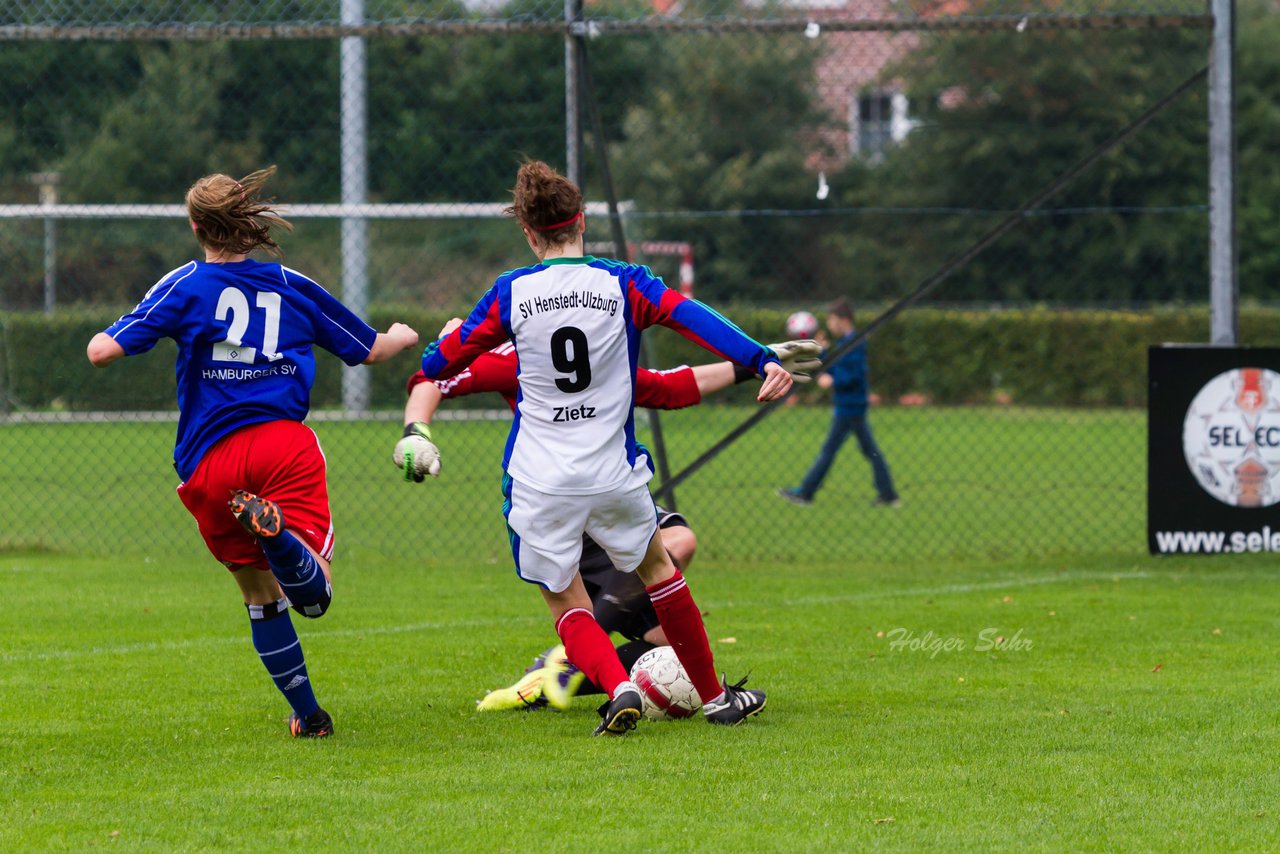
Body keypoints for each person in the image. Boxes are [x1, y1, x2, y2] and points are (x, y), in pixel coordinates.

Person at [419, 159, 793, 735]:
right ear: (582, 221)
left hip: (539, 479)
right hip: (612, 473)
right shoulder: (625, 282)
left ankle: (617, 687)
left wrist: (450, 344)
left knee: (565, 599)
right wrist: (758, 357)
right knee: (659, 570)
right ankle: (717, 699)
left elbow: (439, 364)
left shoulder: (511, 292)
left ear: (527, 231)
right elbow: (695, 319)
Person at [85, 166, 419, 739]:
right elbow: (371, 351)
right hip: (282, 445)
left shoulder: (184, 285)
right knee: (315, 596)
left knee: (261, 598)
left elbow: (101, 352)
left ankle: (310, 717)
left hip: (209, 465)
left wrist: (119, 334)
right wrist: (404, 333)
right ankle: (280, 536)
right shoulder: (292, 284)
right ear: (250, 220)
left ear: (196, 226)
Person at [393, 336, 820, 711]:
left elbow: (666, 385)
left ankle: (554, 678)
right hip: (572, 503)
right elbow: (431, 380)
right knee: (679, 542)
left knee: (668, 648)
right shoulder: (517, 351)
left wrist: (752, 363)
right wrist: (417, 431)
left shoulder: (591, 340)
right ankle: (564, 662)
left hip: (601, 490)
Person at [778, 297, 900, 508]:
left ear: (844, 320)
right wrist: (824, 352)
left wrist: (833, 380)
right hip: (850, 404)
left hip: (850, 406)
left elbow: (853, 375)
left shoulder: (855, 344)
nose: (829, 325)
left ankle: (806, 492)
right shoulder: (846, 343)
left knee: (829, 451)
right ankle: (888, 494)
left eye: (832, 320)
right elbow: (838, 367)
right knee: (869, 451)